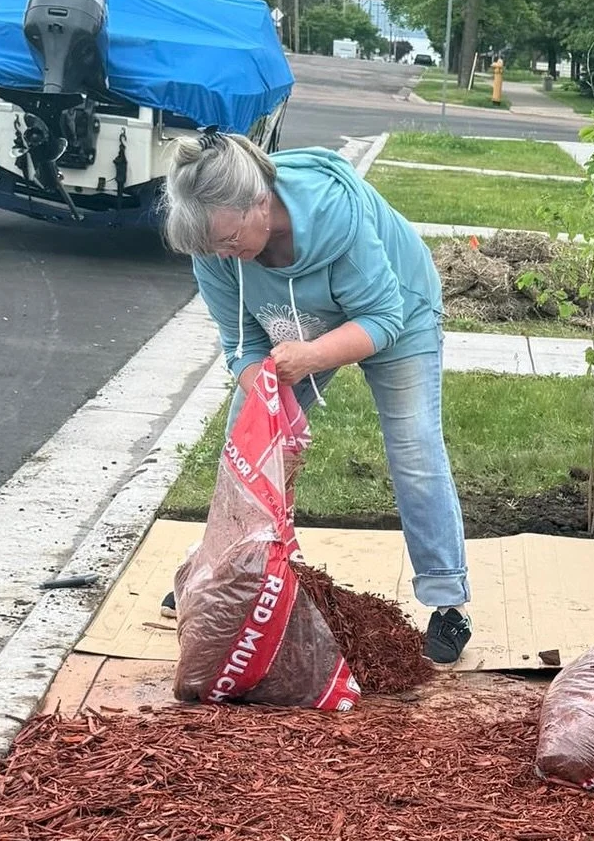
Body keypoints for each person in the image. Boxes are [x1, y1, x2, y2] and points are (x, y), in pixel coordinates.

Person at [160, 130, 471, 666]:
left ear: (261, 203)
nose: (223, 255)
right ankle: (223, 578)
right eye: (214, 247)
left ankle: (448, 603)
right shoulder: (213, 238)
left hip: (397, 311)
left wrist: (312, 356)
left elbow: (383, 319)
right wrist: (258, 380)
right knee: (247, 442)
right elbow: (241, 340)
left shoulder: (335, 216)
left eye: (231, 241)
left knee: (414, 449)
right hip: (297, 326)